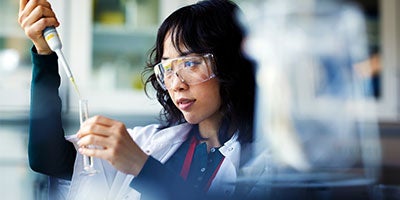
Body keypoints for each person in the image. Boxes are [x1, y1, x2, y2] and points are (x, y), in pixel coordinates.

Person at [18, 0, 256, 199]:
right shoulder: (150, 143)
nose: (176, 84)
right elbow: (46, 158)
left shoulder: (267, 161)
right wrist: (44, 54)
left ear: (231, 64)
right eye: (168, 68)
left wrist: (143, 168)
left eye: (190, 63)